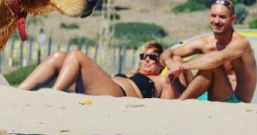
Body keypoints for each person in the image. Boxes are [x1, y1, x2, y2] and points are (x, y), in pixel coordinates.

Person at [160, 0, 257, 103]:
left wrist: (182, 67)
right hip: (206, 96)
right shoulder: (205, 42)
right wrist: (170, 63)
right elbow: (167, 53)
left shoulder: (241, 43)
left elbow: (217, 59)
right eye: (213, 16)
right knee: (176, 58)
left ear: (232, 19)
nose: (216, 21)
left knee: (212, 66)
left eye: (222, 17)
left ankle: (179, 103)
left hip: (233, 101)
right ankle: (180, 99)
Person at [18, 41, 177, 99]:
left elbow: (169, 106)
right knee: (59, 55)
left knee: (76, 55)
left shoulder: (163, 81)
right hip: (101, 88)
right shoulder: (131, 73)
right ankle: (19, 91)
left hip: (118, 94)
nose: (147, 59)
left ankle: (53, 94)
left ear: (161, 62)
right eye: (144, 56)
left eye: (153, 56)